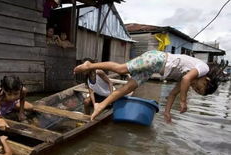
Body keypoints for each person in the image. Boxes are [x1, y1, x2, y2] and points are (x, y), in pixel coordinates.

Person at [74, 50, 227, 122]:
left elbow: (173, 94)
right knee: (121, 69)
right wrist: (184, 101)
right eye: (199, 88)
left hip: (153, 70)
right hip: (156, 59)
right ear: (206, 79)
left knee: (128, 88)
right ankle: (90, 65)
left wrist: (167, 112)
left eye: (197, 91)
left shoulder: (186, 78)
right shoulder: (203, 69)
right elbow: (187, 79)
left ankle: (101, 105)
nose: (195, 88)